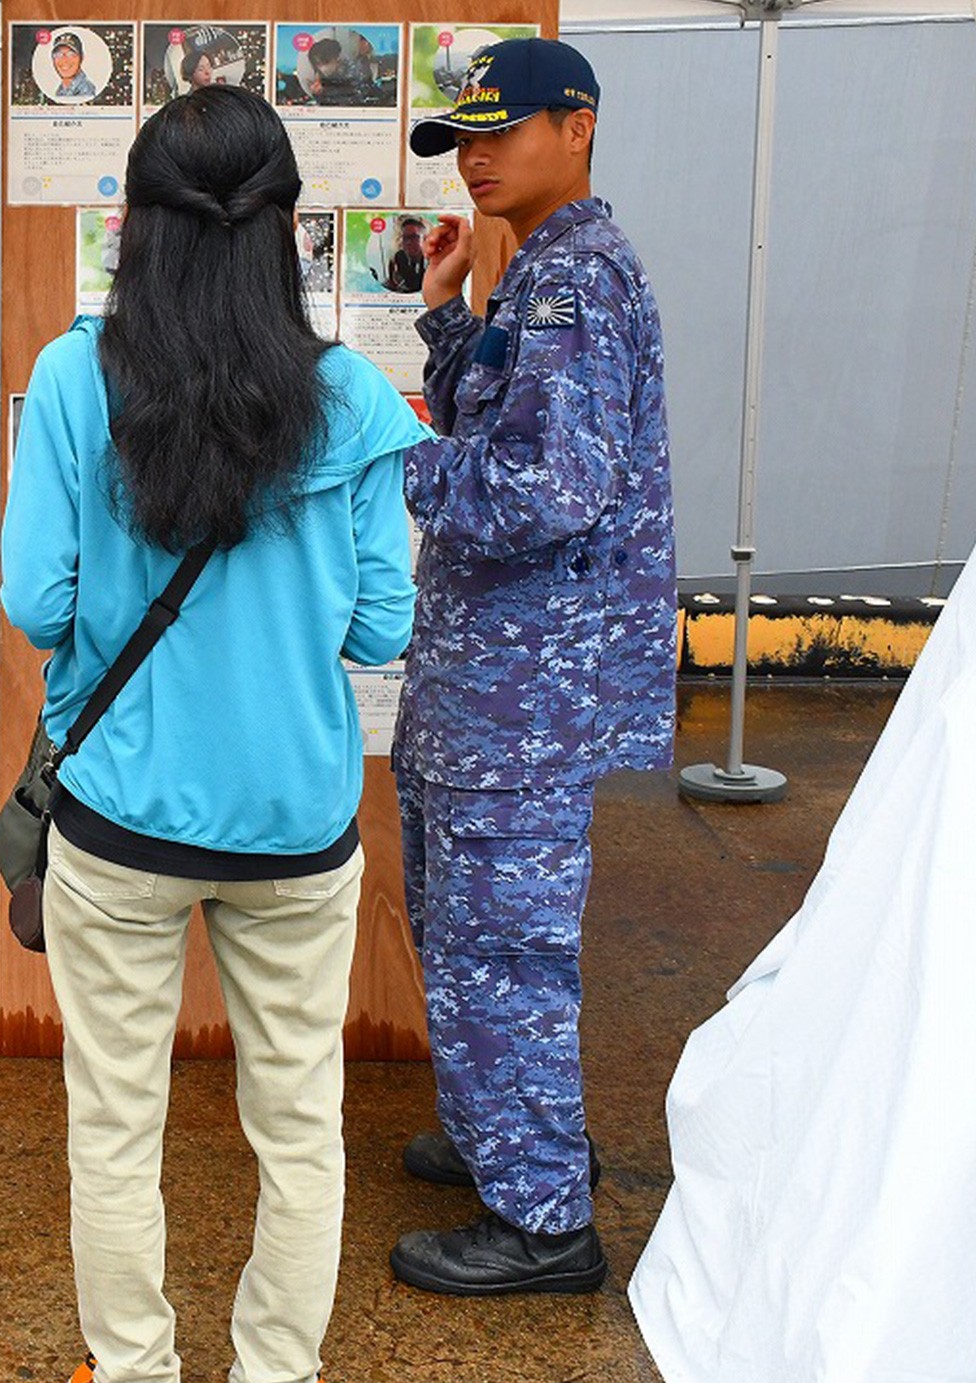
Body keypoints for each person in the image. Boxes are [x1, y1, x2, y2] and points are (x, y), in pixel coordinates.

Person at [1, 86, 425, 1383]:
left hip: (119, 819)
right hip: (298, 826)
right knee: (297, 1125)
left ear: (132, 221)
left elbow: (36, 598)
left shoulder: (76, 381)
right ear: (285, 228)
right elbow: (382, 627)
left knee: (113, 1120)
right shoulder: (352, 399)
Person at [386, 38, 675, 1297]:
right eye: (464, 138)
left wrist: (383, 458)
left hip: (525, 690)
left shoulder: (577, 281)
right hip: (495, 683)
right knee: (462, 925)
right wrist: (450, 315)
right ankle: (505, 1136)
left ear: (582, 126)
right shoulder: (542, 270)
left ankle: (545, 1221)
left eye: (503, 131)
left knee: (502, 943)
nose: (478, 158)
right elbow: (501, 419)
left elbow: (545, 488)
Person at [49, 33, 97, 101]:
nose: (64, 60)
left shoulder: (86, 90)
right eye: (58, 54)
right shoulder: (60, 91)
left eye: (71, 54)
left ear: (81, 58)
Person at [386, 216, 427, 293]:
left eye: (414, 237)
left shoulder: (431, 262)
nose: (408, 242)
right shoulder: (399, 257)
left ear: (424, 238)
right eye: (405, 238)